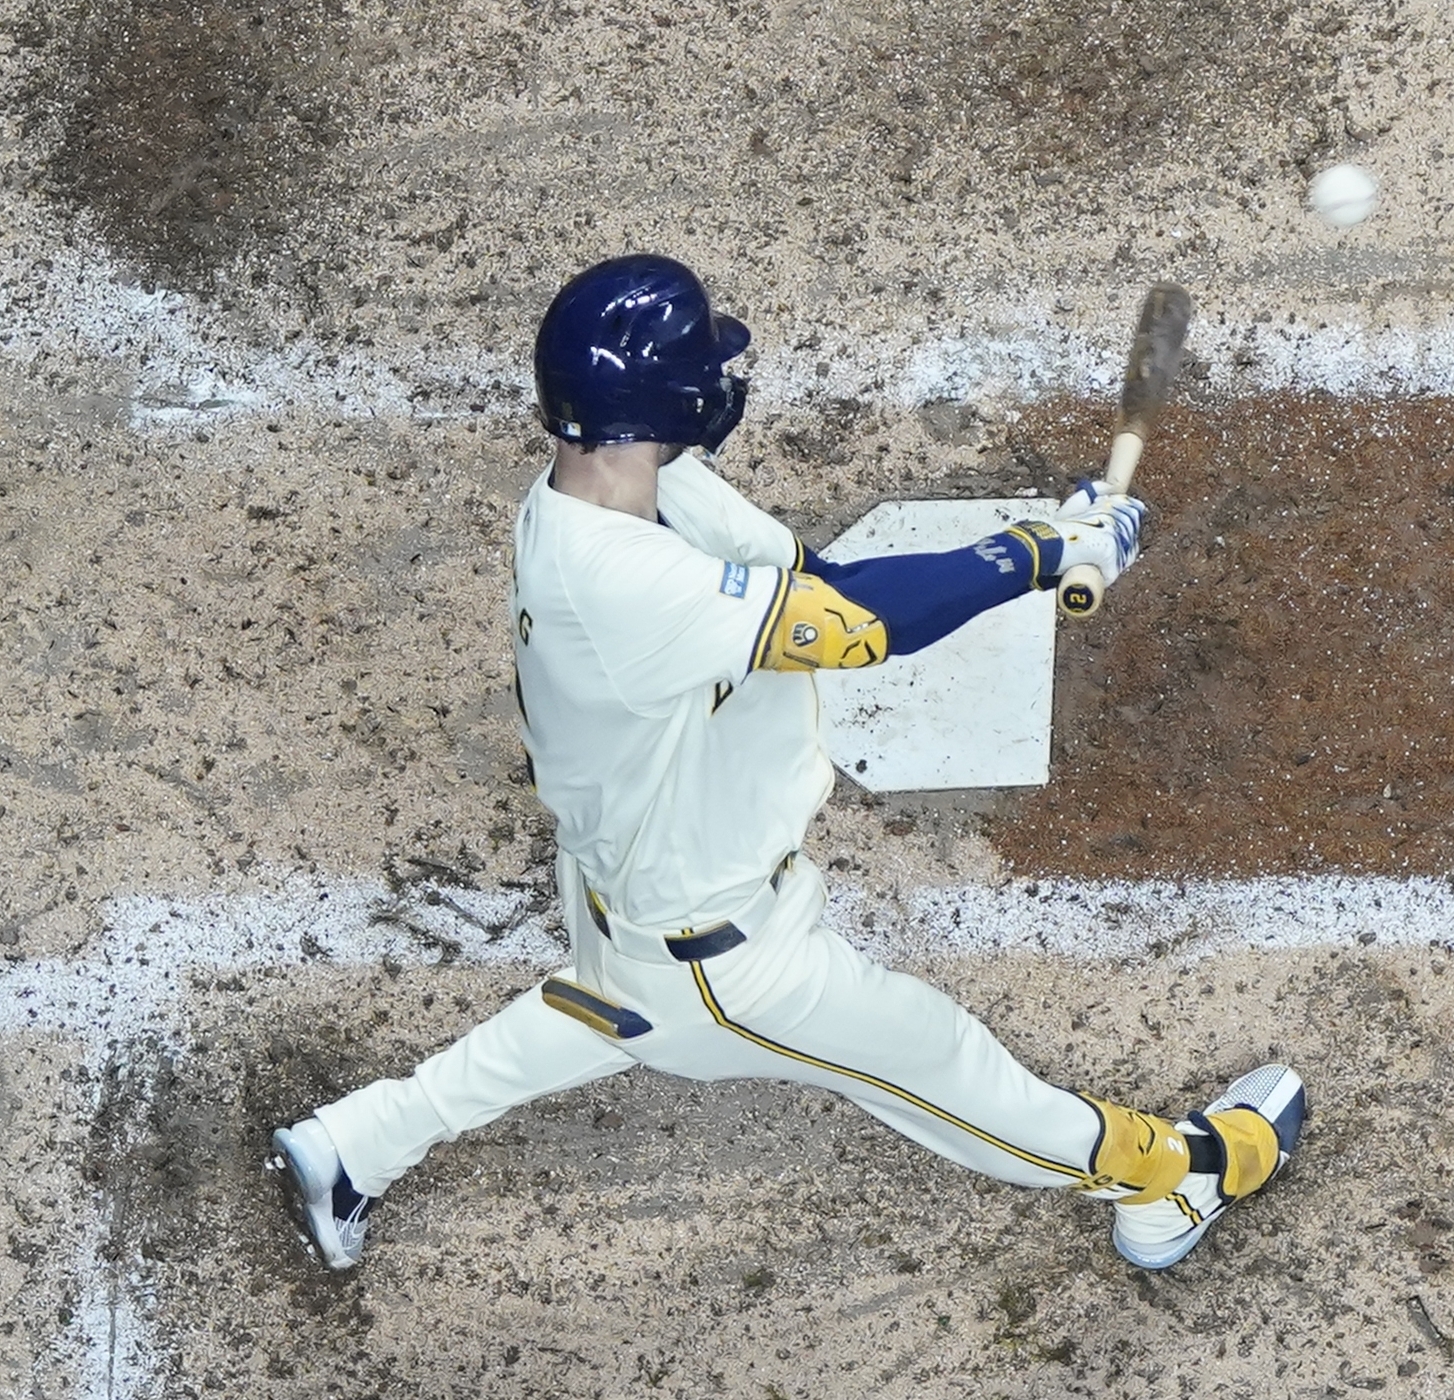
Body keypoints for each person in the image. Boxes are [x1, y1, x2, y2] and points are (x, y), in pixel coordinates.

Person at [270, 254, 1307, 1275]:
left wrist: (1045, 539)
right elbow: (854, 624)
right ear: (666, 394)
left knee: (610, 1005)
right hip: (721, 953)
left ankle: (357, 1143)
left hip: (627, 889)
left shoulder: (633, 492)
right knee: (934, 1060)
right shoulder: (613, 576)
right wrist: (1036, 555)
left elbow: (819, 578)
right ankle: (1172, 1178)